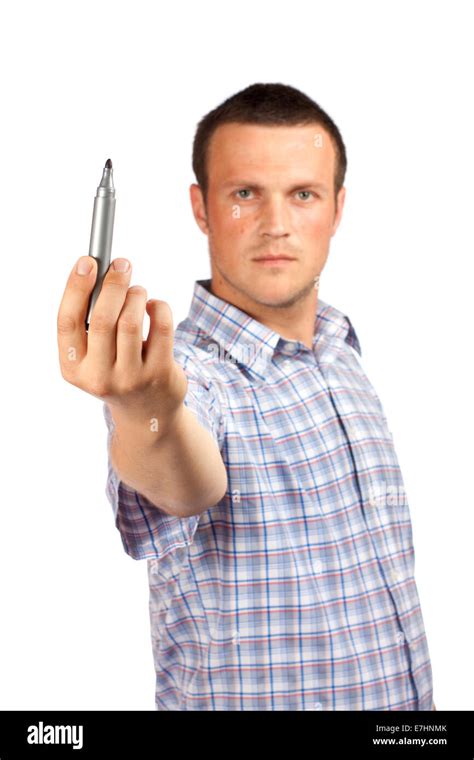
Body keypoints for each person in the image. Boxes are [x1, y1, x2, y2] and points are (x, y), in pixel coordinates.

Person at [57, 83, 435, 711]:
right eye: (244, 194)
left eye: (303, 194)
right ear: (201, 208)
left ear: (337, 209)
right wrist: (145, 408)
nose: (277, 224)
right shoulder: (191, 377)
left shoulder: (342, 349)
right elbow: (184, 480)